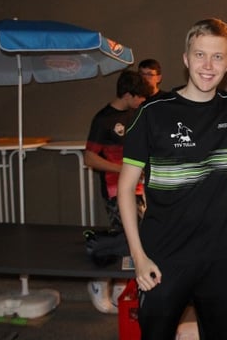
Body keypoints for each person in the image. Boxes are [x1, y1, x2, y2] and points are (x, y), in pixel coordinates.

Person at [117, 18, 227, 339]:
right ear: (186, 59)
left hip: (220, 259)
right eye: (200, 55)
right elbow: (125, 189)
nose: (208, 65)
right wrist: (139, 258)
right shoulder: (152, 112)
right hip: (163, 258)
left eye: (217, 57)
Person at [84, 69, 151, 314]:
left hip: (139, 188)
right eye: (139, 96)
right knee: (124, 239)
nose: (142, 100)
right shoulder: (103, 119)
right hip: (115, 189)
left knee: (137, 238)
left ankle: (122, 289)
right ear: (127, 94)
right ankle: (99, 282)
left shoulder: (137, 114)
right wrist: (123, 169)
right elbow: (89, 158)